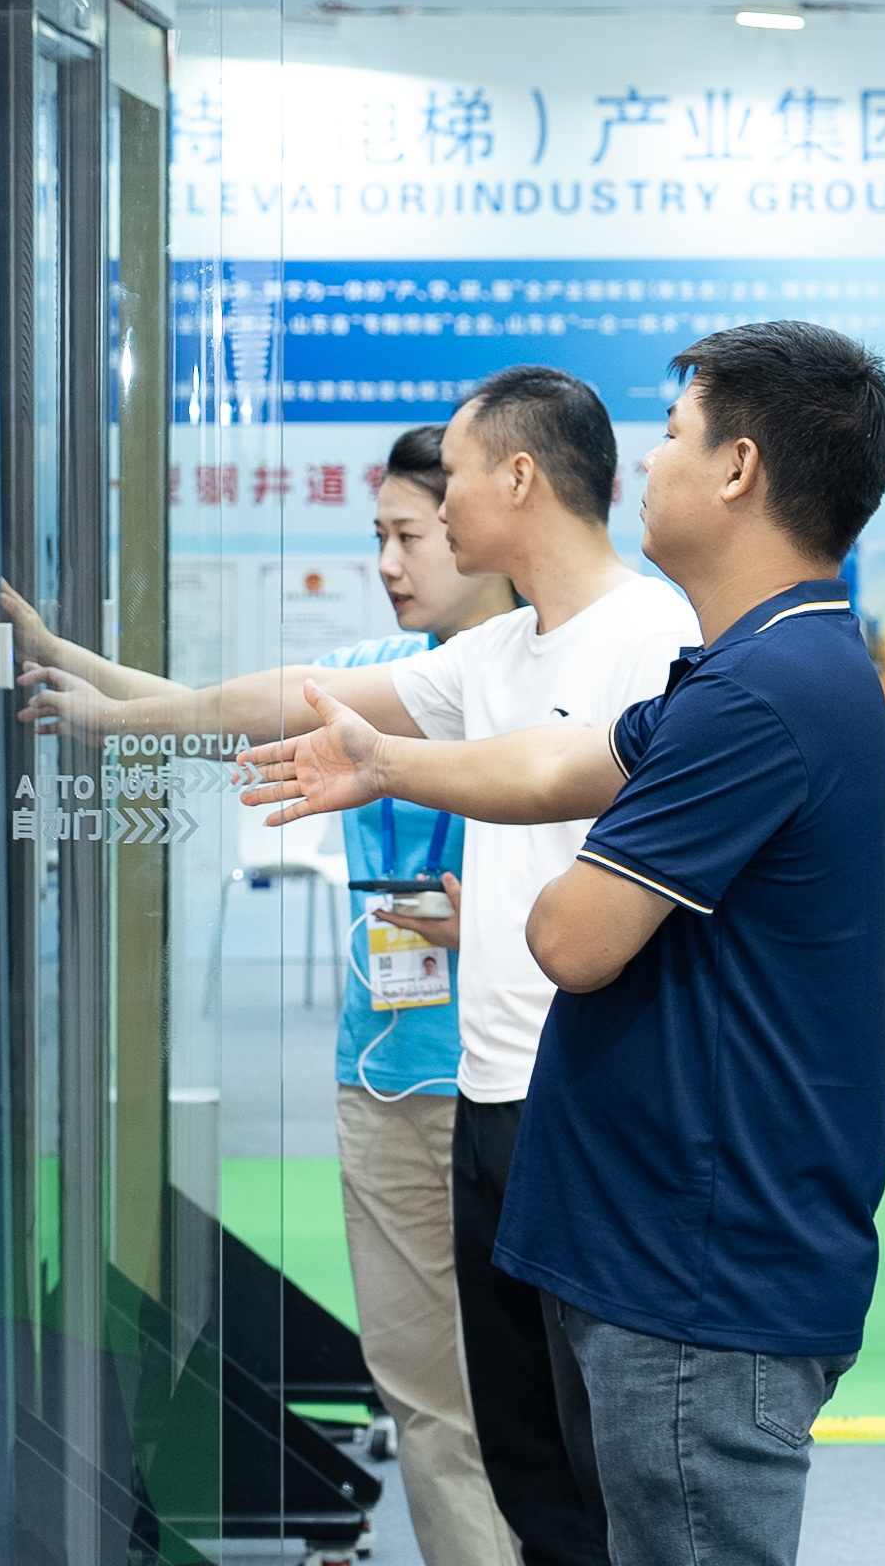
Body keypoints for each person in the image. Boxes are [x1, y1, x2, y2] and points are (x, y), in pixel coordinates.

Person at [239, 321, 885, 1566]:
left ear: (740, 468)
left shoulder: (757, 695)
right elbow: (563, 761)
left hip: (699, 1269)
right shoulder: (761, 664)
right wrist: (389, 763)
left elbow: (572, 933)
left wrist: (530, 884)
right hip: (667, 1241)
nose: (646, 461)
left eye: (674, 436)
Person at [21, 367, 688, 1566]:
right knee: (493, 1427)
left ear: (517, 479)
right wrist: (109, 707)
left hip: (590, 1093)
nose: (406, 535)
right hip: (477, 1089)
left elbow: (631, 844)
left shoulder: (653, 636)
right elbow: (298, 699)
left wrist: (479, 888)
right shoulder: (495, 654)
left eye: (439, 496)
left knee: (601, 1431)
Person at [296, 426, 527, 1566]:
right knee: (426, 1397)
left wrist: (487, 920)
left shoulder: (555, 684)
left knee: (534, 1399)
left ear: (479, 528)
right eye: (376, 536)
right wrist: (90, 691)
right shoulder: (368, 674)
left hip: (516, 1084)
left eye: (409, 535)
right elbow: (219, 708)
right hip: (383, 1075)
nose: (387, 563)